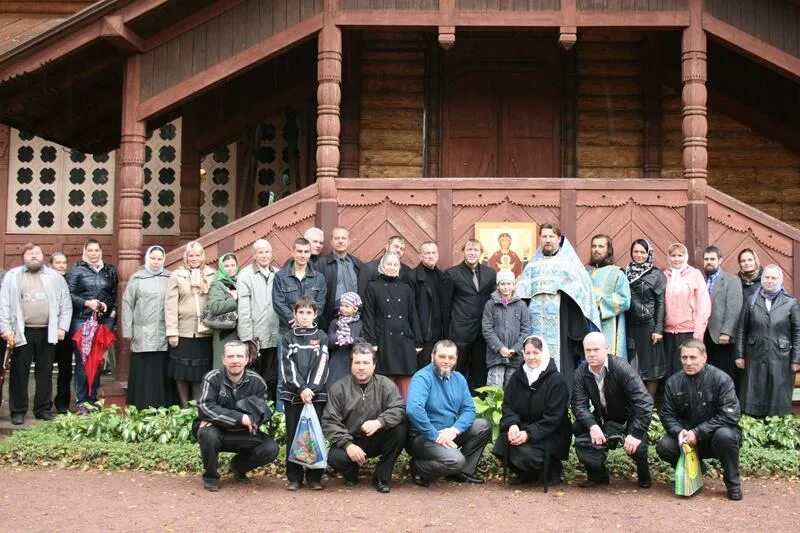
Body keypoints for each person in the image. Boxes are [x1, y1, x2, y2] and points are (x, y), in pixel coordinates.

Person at [656, 339, 743, 500]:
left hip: (715, 438)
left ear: (704, 357)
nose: (688, 362)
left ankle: (733, 484)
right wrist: (679, 432)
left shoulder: (721, 379)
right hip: (688, 440)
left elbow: (730, 415)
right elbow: (667, 415)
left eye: (693, 357)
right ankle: (697, 468)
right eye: (684, 358)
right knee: (664, 446)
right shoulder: (673, 382)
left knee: (726, 436)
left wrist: (699, 432)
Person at [517, 223, 599, 390]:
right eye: (544, 236)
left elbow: (582, 295)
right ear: (540, 239)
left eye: (551, 236)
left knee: (562, 367)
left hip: (562, 323)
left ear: (559, 239)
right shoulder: (531, 266)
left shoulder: (569, 264)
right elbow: (521, 296)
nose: (547, 240)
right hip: (535, 324)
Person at [0, 243, 72, 424]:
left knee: (45, 372)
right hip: (21, 331)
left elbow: (66, 303)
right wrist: (6, 329)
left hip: (47, 330)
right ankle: (18, 411)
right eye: (30, 253)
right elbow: (4, 304)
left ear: (42, 256)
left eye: (37, 253)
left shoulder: (55, 277)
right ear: (23, 257)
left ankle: (42, 409)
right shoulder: (13, 276)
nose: (34, 256)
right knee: (19, 372)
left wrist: (62, 327)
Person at [572, 332, 654, 489]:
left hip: (629, 417)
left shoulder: (621, 368)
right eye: (588, 350)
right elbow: (578, 405)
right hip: (603, 418)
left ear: (606, 349)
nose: (591, 354)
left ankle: (644, 475)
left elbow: (644, 402)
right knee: (579, 427)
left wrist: (635, 434)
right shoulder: (581, 373)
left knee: (638, 447)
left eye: (596, 349)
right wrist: (592, 426)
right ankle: (597, 475)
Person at [406, 339, 492, 487]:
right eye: (442, 356)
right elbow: (414, 410)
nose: (446, 361)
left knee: (483, 426)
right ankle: (419, 468)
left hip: (447, 433)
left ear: (456, 359)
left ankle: (462, 472)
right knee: (455, 460)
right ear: (432, 356)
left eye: (451, 357)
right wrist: (436, 435)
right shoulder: (422, 378)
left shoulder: (459, 378)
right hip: (422, 437)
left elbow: (469, 409)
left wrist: (454, 430)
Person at [322, 343, 407, 493]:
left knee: (400, 431)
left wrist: (380, 422)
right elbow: (330, 421)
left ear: (374, 365)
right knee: (335, 457)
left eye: (366, 363)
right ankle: (351, 472)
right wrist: (348, 445)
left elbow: (399, 409)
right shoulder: (338, 388)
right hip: (351, 439)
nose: (361, 367)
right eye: (357, 362)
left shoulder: (386, 385)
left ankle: (382, 476)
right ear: (351, 364)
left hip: (377, 437)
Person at [196, 340, 279, 492]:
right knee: (208, 434)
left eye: (239, 356)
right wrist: (241, 418)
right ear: (224, 359)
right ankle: (211, 477)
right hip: (216, 432)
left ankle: (238, 467)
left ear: (247, 359)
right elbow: (205, 407)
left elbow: (259, 414)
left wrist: (217, 418)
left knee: (270, 448)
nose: (235, 360)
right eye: (231, 356)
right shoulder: (212, 378)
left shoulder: (258, 382)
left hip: (243, 434)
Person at [492, 336, 571, 487]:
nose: (531, 357)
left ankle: (552, 468)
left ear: (544, 352)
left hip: (551, 433)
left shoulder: (557, 381)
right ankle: (527, 473)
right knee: (502, 444)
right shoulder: (518, 375)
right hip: (524, 426)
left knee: (527, 454)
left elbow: (553, 418)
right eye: (527, 353)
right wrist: (513, 425)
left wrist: (529, 433)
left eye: (536, 353)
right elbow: (508, 404)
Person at [735, 265, 800, 417]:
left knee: (777, 390)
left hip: (781, 356)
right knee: (754, 389)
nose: (769, 281)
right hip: (755, 353)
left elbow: (798, 332)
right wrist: (739, 355)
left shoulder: (790, 303)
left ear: (779, 280)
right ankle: (754, 424)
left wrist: (796, 359)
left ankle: (775, 427)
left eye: (773, 278)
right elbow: (741, 329)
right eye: (766, 277)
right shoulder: (751, 300)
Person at [279, 296, 329, 490]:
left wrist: (311, 389)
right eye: (301, 312)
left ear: (315, 314)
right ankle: (294, 477)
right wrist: (301, 388)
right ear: (295, 314)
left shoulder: (322, 337)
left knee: (314, 434)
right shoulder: (288, 338)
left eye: (309, 312)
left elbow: (322, 365)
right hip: (294, 396)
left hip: (316, 396)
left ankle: (315, 476)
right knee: (294, 435)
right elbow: (287, 366)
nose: (305, 316)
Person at [65, 239, 117, 411]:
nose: (94, 253)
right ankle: (82, 401)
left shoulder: (109, 271)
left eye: (96, 250)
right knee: (83, 361)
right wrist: (87, 302)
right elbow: (68, 294)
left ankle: (93, 398)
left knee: (97, 361)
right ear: (85, 251)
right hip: (82, 319)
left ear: (101, 251)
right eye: (91, 250)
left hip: (103, 320)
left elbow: (114, 293)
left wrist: (113, 311)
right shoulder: (77, 270)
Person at [363, 252, 423, 398]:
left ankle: (405, 415)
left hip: (405, 340)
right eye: (389, 264)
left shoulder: (406, 288)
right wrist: (372, 341)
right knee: (386, 381)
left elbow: (412, 315)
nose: (392, 267)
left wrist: (418, 341)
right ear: (382, 265)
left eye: (395, 264)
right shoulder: (373, 286)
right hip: (384, 339)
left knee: (405, 383)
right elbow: (369, 315)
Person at [165, 241, 216, 407]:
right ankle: (184, 407)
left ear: (203, 256)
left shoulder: (211, 274)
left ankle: (197, 406)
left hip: (204, 331)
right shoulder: (177, 275)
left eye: (197, 255)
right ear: (186, 257)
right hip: (183, 331)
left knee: (199, 372)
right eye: (191, 255)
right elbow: (170, 304)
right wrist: (172, 331)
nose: (194, 258)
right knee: (182, 371)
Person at [121, 245, 171, 409]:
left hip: (163, 332)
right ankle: (141, 406)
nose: (156, 262)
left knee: (161, 372)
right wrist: (128, 330)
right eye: (153, 258)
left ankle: (162, 407)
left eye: (159, 259)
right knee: (144, 371)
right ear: (147, 259)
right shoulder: (137, 278)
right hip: (142, 332)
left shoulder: (169, 277)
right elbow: (128, 304)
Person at [446, 239, 496, 392]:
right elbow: (446, 304)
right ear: (464, 252)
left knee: (480, 370)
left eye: (476, 250)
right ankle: (455, 399)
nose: (472, 253)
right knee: (458, 368)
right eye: (469, 250)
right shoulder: (452, 273)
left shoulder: (490, 273)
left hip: (482, 331)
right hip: (461, 330)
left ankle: (477, 404)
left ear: (481, 253)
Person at [236, 239, 280, 400]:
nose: (264, 255)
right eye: (260, 252)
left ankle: (269, 407)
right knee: (255, 374)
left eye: (267, 252)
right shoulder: (245, 275)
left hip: (275, 332)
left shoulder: (278, 273)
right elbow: (244, 308)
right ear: (254, 255)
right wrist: (247, 337)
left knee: (272, 374)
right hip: (256, 335)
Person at [625, 239, 667, 397]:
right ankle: (635, 404)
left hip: (648, 326)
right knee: (632, 366)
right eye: (636, 251)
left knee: (651, 368)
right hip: (629, 325)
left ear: (648, 254)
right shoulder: (625, 272)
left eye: (643, 252)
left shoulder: (656, 274)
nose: (639, 255)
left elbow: (661, 304)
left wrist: (658, 329)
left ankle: (648, 407)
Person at [663, 243, 711, 377]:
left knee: (689, 368)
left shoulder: (695, 275)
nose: (676, 259)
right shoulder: (665, 275)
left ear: (685, 256)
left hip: (688, 331)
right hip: (668, 332)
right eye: (673, 255)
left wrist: (698, 332)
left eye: (680, 255)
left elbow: (703, 305)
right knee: (670, 370)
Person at [482, 270, 530, 389]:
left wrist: (515, 348)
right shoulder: (490, 304)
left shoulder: (521, 305)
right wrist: (500, 348)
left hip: (515, 356)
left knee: (512, 389)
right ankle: (494, 409)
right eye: (502, 284)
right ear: (498, 286)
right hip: (496, 356)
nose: (506, 287)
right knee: (495, 390)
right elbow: (487, 329)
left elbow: (526, 330)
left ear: (514, 285)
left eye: (509, 284)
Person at [407, 241, 452, 369]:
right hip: (422, 337)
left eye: (433, 253)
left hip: (441, 337)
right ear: (420, 256)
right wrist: (416, 338)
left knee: (440, 373)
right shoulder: (412, 277)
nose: (431, 256)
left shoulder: (444, 278)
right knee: (423, 373)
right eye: (427, 253)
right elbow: (410, 311)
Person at [702, 246, 743, 380]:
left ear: (720, 260)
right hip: (703, 334)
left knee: (723, 373)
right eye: (706, 259)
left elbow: (734, 308)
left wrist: (726, 332)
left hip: (721, 337)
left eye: (712, 259)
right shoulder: (700, 279)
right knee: (706, 373)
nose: (709, 262)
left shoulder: (731, 280)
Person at [587, 234, 630, 358]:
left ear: (608, 249)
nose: (596, 249)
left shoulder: (617, 273)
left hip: (609, 324)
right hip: (589, 325)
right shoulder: (587, 274)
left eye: (601, 246)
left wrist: (600, 302)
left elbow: (625, 300)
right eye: (594, 246)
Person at [272, 237, 326, 334]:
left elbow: (320, 303)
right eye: (299, 251)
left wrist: (307, 320)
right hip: (287, 330)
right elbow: (278, 303)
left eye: (306, 252)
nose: (303, 255)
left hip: (311, 330)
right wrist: (294, 319)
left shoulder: (319, 278)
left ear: (310, 253)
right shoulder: (280, 277)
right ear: (292, 252)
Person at [316, 227, 363, 330]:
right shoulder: (321, 264)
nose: (340, 241)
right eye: (337, 238)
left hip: (355, 319)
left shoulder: (358, 264)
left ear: (349, 241)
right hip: (330, 318)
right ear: (331, 241)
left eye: (344, 238)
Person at [206, 252, 240, 369]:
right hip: (224, 334)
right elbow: (215, 306)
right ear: (221, 267)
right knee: (223, 367)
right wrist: (233, 300)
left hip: (239, 332)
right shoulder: (218, 284)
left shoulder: (240, 281)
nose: (230, 269)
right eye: (226, 266)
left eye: (233, 265)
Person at [49, 252, 73, 413]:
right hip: (47, 329)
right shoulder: (45, 280)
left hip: (66, 330)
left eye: (64, 262)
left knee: (65, 369)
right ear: (50, 265)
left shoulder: (71, 280)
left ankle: (63, 403)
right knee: (45, 369)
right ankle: (44, 402)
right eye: (58, 262)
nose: (62, 265)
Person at [326, 292, 364, 387]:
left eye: (347, 306)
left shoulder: (360, 324)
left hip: (354, 361)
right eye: (341, 305)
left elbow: (364, 341)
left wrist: (352, 340)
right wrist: (337, 337)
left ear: (355, 309)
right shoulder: (335, 322)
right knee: (334, 386)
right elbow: (328, 341)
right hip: (337, 362)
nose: (342, 308)